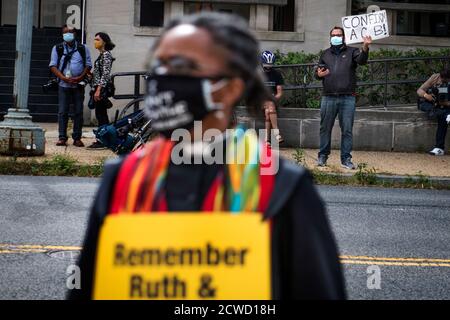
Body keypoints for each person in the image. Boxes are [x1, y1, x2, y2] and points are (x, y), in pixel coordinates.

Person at [69, 12, 345, 300]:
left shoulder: (283, 187)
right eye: (161, 65)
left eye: (183, 66)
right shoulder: (122, 179)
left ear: (230, 88)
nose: (165, 78)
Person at [316, 26, 371, 169]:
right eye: (333, 35)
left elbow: (362, 61)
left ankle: (346, 159)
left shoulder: (352, 51)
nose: (336, 36)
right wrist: (318, 74)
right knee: (325, 128)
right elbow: (318, 72)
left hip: (348, 98)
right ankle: (322, 156)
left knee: (347, 129)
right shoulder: (325, 54)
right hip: (328, 97)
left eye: (339, 34)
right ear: (330, 37)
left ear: (344, 37)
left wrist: (365, 46)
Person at [49, 25, 92, 147]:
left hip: (78, 85)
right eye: (65, 32)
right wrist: (62, 77)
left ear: (75, 34)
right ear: (62, 34)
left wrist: (80, 77)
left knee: (78, 112)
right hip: (63, 85)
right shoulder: (57, 48)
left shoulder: (83, 48)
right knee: (63, 112)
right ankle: (62, 137)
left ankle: (77, 138)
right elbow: (53, 66)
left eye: (70, 32)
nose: (68, 34)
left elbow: (88, 65)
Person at [87, 32, 116, 149]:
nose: (95, 42)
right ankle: (104, 139)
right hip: (97, 87)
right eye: (94, 39)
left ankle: (103, 140)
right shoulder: (102, 55)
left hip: (102, 89)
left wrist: (98, 89)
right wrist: (91, 75)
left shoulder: (106, 55)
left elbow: (105, 74)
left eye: (97, 39)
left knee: (101, 114)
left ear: (104, 41)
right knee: (100, 114)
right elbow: (99, 72)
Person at [417, 69, 450, 156]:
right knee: (425, 105)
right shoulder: (435, 77)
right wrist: (426, 95)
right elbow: (420, 90)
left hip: (446, 105)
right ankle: (444, 114)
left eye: (446, 81)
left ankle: (439, 148)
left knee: (442, 116)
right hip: (434, 104)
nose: (443, 81)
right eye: (441, 79)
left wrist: (446, 102)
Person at [261, 50, 284, 144]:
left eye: (270, 65)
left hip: (272, 102)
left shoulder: (277, 74)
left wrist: (273, 99)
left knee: (268, 111)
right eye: (266, 65)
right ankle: (276, 133)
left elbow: (279, 93)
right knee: (269, 106)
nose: (268, 67)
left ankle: (267, 140)